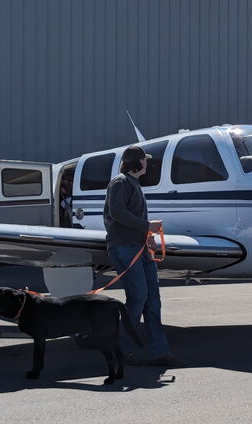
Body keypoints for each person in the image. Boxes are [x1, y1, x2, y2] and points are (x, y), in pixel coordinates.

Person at [104, 145, 184, 367]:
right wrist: (146, 225)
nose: (147, 163)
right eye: (145, 160)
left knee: (152, 299)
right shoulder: (120, 183)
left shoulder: (132, 183)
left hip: (138, 248)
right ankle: (121, 349)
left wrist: (146, 235)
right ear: (138, 162)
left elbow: (128, 215)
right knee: (138, 297)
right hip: (124, 248)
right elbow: (117, 212)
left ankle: (160, 351)